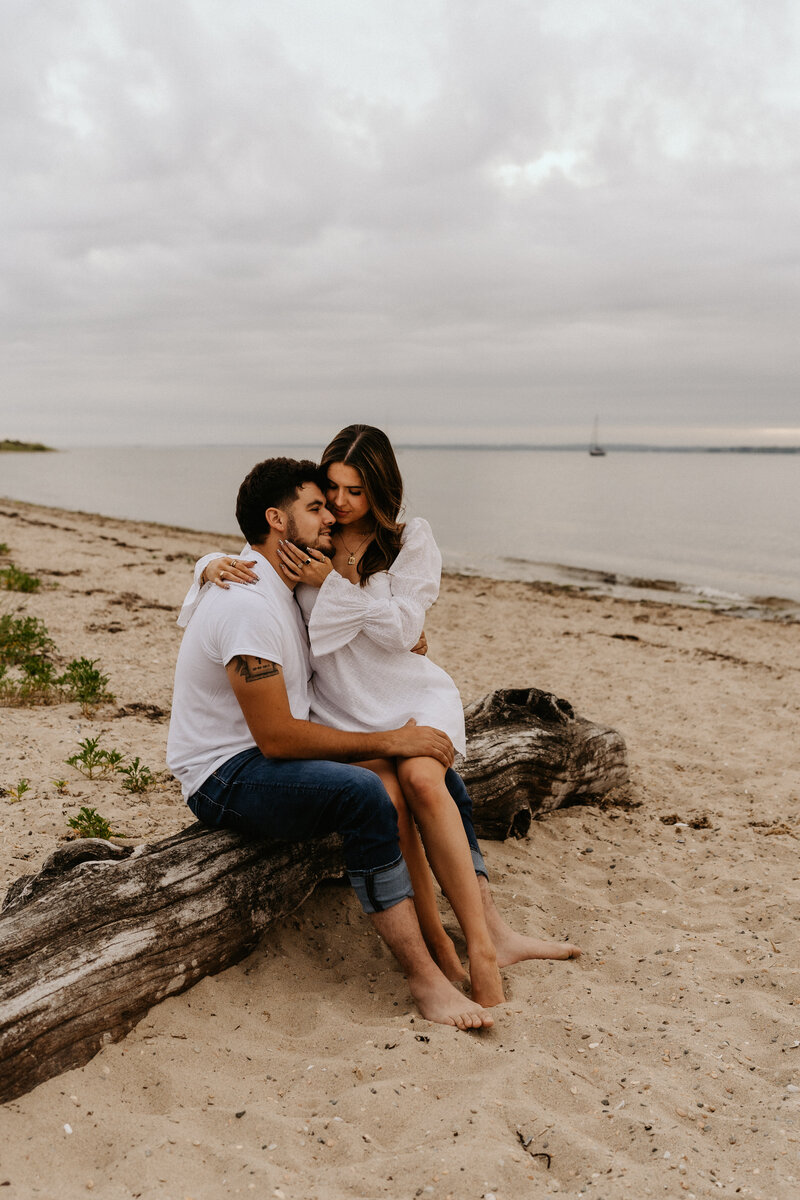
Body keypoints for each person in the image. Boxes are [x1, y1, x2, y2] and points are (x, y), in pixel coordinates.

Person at [185, 427, 580, 1004]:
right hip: (343, 704)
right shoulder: (312, 536)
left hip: (404, 690)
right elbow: (252, 555)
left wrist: (334, 587)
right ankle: (440, 950)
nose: (340, 505)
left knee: (427, 775)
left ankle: (485, 939)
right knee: (394, 792)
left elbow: (403, 631)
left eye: (355, 491)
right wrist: (207, 564)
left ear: (381, 487)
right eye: (331, 491)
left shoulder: (406, 541)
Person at [167, 456, 494, 1030]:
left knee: (419, 770)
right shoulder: (247, 604)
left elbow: (370, 620)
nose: (331, 517)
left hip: (261, 753)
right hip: (224, 774)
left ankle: (465, 936)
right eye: (316, 507)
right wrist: (391, 737)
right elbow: (276, 738)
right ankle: (424, 975)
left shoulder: (279, 581)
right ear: (277, 519)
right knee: (366, 792)